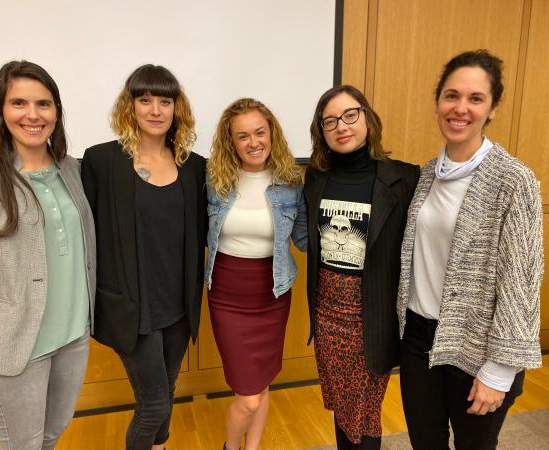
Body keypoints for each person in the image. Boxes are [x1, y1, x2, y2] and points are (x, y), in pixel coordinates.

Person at [397, 49, 544, 450]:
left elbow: (522, 283)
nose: (460, 108)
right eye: (451, 96)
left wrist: (499, 371)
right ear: (438, 102)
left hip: (478, 348)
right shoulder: (427, 174)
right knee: (425, 443)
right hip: (418, 340)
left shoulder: (514, 180)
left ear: (492, 108)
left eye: (475, 99)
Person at [0, 61, 96, 450]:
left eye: (44, 104)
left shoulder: (71, 167)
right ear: (1, 109)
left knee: (49, 437)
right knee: (21, 445)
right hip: (14, 346)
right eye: (19, 103)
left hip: (73, 336)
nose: (32, 115)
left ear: (57, 111)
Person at [81, 64, 206, 450]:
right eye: (145, 99)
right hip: (132, 309)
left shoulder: (194, 167)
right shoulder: (101, 162)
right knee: (152, 404)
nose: (155, 109)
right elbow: (87, 236)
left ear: (176, 108)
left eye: (165, 101)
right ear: (130, 106)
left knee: (166, 390)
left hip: (178, 306)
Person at [304, 85, 419, 449]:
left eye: (350, 115)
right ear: (321, 131)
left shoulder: (404, 179)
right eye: (330, 121)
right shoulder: (316, 179)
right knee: (344, 408)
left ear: (367, 116)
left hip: (372, 316)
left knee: (364, 411)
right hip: (327, 314)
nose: (342, 126)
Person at [205, 98, 307, 450]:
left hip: (273, 295)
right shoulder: (214, 181)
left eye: (260, 132)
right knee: (247, 395)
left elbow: (307, 239)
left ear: (272, 134)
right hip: (228, 298)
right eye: (243, 135)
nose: (253, 142)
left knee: (261, 383)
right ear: (230, 141)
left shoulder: (292, 182)